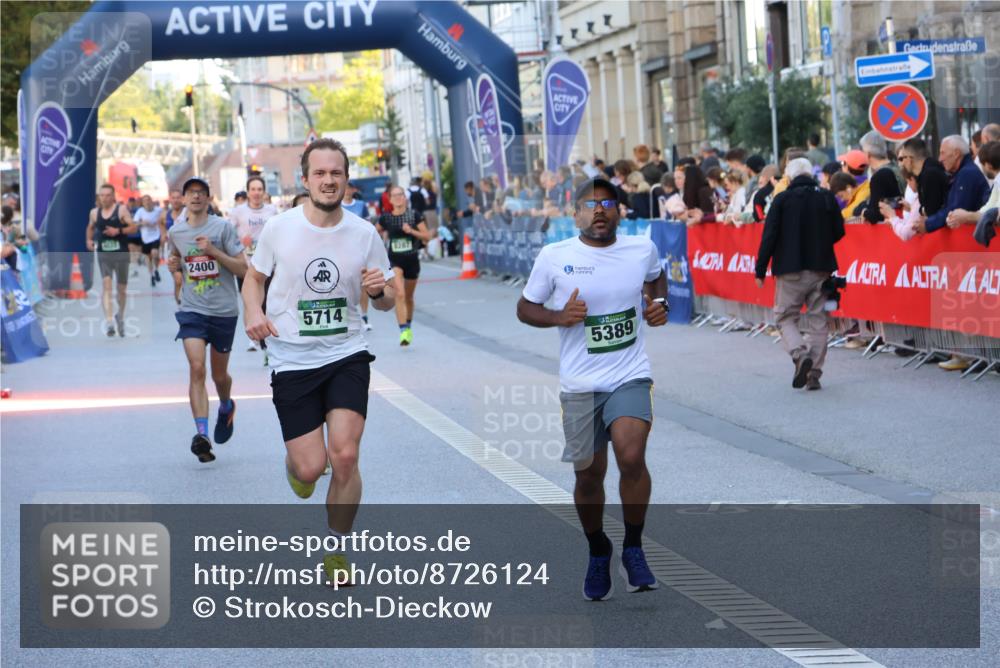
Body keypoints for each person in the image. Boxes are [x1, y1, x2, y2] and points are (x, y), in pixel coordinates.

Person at [242, 138, 396, 584]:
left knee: (344, 456)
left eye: (337, 174)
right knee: (310, 467)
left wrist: (378, 291)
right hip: (291, 358)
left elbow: (387, 300)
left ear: (347, 180)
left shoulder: (364, 234)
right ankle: (298, 468)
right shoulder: (279, 229)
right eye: (320, 174)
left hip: (346, 352)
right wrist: (254, 311)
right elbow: (254, 280)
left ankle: (336, 549)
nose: (329, 181)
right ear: (305, 180)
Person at [517, 177, 668, 601]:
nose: (599, 210)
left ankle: (634, 547)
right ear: (575, 212)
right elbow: (525, 308)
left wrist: (660, 306)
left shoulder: (641, 249)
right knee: (588, 475)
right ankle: (598, 548)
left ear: (620, 211)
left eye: (607, 203)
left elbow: (656, 281)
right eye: (590, 204)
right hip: (581, 384)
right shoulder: (554, 257)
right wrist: (559, 317)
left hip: (629, 374)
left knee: (632, 455)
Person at [166, 177, 247, 463]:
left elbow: (244, 268)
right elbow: (175, 259)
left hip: (224, 310)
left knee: (219, 375)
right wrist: (174, 267)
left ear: (209, 199)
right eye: (191, 193)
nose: (196, 197)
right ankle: (202, 434)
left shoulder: (222, 228)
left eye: (201, 193)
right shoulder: (176, 231)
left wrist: (214, 252)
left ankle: (226, 405)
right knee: (197, 367)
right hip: (192, 309)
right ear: (184, 199)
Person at [755, 158, 845, 391]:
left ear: (791, 177)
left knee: (785, 317)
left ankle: (799, 354)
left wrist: (760, 268)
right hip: (821, 268)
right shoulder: (826, 197)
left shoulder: (782, 199)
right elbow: (839, 230)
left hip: (789, 269)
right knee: (818, 320)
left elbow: (769, 236)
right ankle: (814, 372)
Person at [377, 185, 433, 346]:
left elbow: (427, 237)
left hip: (412, 260)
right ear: (390, 199)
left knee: (408, 297)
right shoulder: (386, 218)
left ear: (404, 197)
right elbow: (373, 233)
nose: (398, 198)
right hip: (394, 261)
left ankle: (408, 324)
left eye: (401, 195)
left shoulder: (414, 215)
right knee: (399, 293)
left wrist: (412, 232)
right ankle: (403, 331)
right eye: (395, 195)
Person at [229, 175, 280, 354]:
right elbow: (229, 233)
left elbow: (279, 233)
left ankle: (266, 336)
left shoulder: (272, 210)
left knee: (267, 300)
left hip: (268, 264)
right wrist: (240, 245)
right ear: (248, 191)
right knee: (249, 301)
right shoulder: (238, 211)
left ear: (264, 191)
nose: (256, 193)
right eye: (253, 189)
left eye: (259, 189)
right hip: (246, 264)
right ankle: (253, 338)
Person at [86, 184, 138, 337]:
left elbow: (133, 228)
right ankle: (109, 322)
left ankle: (120, 316)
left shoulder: (121, 210)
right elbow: (90, 227)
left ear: (113, 196)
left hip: (121, 253)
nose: (104, 198)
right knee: (106, 285)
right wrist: (88, 240)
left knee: (121, 290)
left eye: (108, 195)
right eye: (102, 195)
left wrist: (118, 231)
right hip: (104, 254)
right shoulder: (94, 213)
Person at [920, 135, 991, 235]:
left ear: (956, 153)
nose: (940, 159)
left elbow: (956, 210)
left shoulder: (967, 173)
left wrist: (928, 224)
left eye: (942, 153)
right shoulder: (962, 173)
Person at [857, 131, 903, 224]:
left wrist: (864, 212)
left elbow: (875, 214)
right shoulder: (899, 168)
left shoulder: (879, 176)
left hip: (892, 230)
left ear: (868, 154)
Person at [160, 189, 186, 305]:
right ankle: (180, 304)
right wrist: (163, 234)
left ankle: (187, 303)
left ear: (183, 199)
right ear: (170, 199)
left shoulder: (187, 212)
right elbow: (160, 224)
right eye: (173, 198)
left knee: (187, 280)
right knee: (178, 279)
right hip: (171, 251)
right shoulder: (165, 214)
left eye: (178, 197)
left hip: (187, 250)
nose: (176, 200)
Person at [134, 194, 163, 288]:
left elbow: (164, 216)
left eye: (148, 200)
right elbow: (134, 222)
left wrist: (159, 221)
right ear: (142, 203)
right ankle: (151, 276)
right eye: (145, 200)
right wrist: (143, 222)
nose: (147, 202)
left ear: (151, 201)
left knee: (155, 253)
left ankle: (156, 270)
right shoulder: (140, 211)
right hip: (145, 238)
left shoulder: (158, 210)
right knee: (149, 258)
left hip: (156, 236)